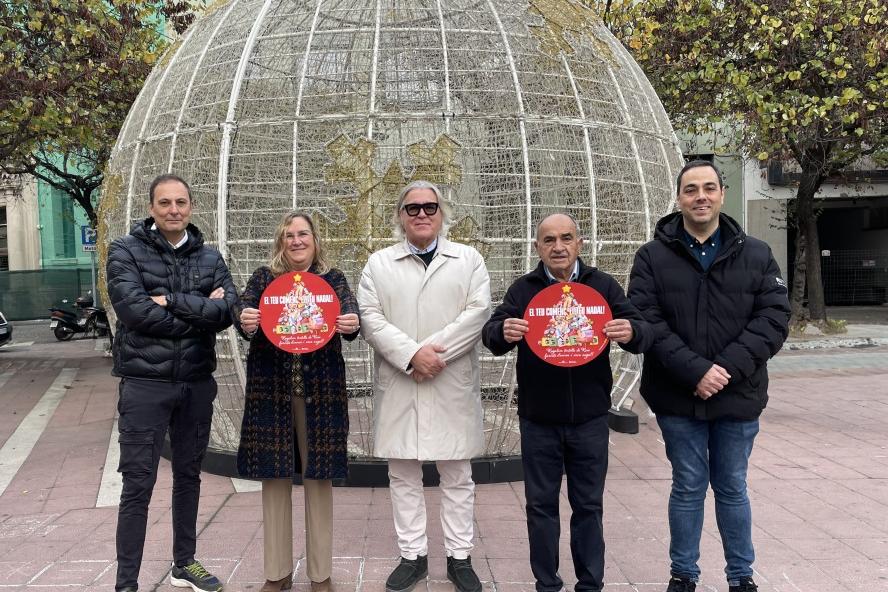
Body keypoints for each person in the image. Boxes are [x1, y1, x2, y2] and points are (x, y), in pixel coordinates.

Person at [628, 160, 790, 592]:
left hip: (738, 394)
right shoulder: (652, 257)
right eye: (691, 189)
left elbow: (773, 319)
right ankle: (684, 574)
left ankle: (741, 577)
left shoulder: (756, 253)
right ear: (679, 197)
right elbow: (646, 320)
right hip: (677, 395)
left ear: (721, 194)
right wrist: (696, 371)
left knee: (733, 487)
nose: (700, 196)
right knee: (687, 486)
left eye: (709, 188)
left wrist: (724, 370)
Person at [481, 213, 653, 592]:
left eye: (566, 238)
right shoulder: (523, 290)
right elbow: (492, 335)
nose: (558, 247)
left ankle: (590, 585)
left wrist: (632, 330)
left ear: (579, 243)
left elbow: (641, 332)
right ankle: (547, 584)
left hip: (590, 419)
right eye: (548, 240)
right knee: (540, 508)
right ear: (537, 247)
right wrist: (503, 330)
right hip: (538, 419)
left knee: (588, 507)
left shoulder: (603, 286)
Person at [106, 174, 238, 592]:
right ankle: (126, 582)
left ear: (191, 207)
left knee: (188, 475)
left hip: (196, 383)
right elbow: (135, 313)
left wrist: (174, 302)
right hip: (145, 385)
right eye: (165, 203)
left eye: (181, 202)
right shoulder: (125, 251)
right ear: (151, 208)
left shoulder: (211, 258)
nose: (173, 210)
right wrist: (201, 312)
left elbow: (229, 312)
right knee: (138, 483)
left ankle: (185, 562)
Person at [357, 180, 491, 592]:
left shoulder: (468, 260)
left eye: (429, 207)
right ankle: (411, 556)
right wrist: (412, 356)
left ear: (441, 213)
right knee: (403, 475)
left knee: (457, 475)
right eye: (412, 208)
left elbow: (478, 312)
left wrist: (434, 355)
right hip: (402, 381)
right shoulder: (378, 264)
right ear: (400, 215)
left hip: (450, 380)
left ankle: (460, 557)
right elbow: (370, 318)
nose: (421, 215)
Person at [234, 212, 360, 592]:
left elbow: (352, 316)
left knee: (319, 480)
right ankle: (278, 573)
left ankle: (320, 574)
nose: (296, 241)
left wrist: (352, 323)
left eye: (303, 234)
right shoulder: (263, 278)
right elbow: (240, 312)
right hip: (271, 394)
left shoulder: (333, 279)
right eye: (289, 235)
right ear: (280, 242)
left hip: (319, 395)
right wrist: (245, 318)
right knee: (274, 480)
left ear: (315, 240)